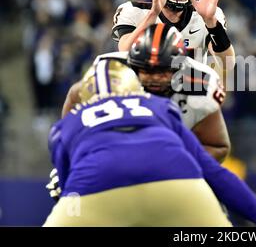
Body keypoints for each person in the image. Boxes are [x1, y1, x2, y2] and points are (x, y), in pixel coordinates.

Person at [44, 59, 256, 226]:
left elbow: (68, 190)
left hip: (97, 187)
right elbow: (212, 171)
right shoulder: (159, 106)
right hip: (177, 184)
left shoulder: (68, 124)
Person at [60, 23, 230, 162]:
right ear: (133, 66)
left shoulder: (200, 85)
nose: (155, 78)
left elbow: (218, 146)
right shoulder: (112, 74)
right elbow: (75, 95)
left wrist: (177, 162)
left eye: (163, 71)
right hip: (114, 159)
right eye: (147, 70)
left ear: (179, 69)